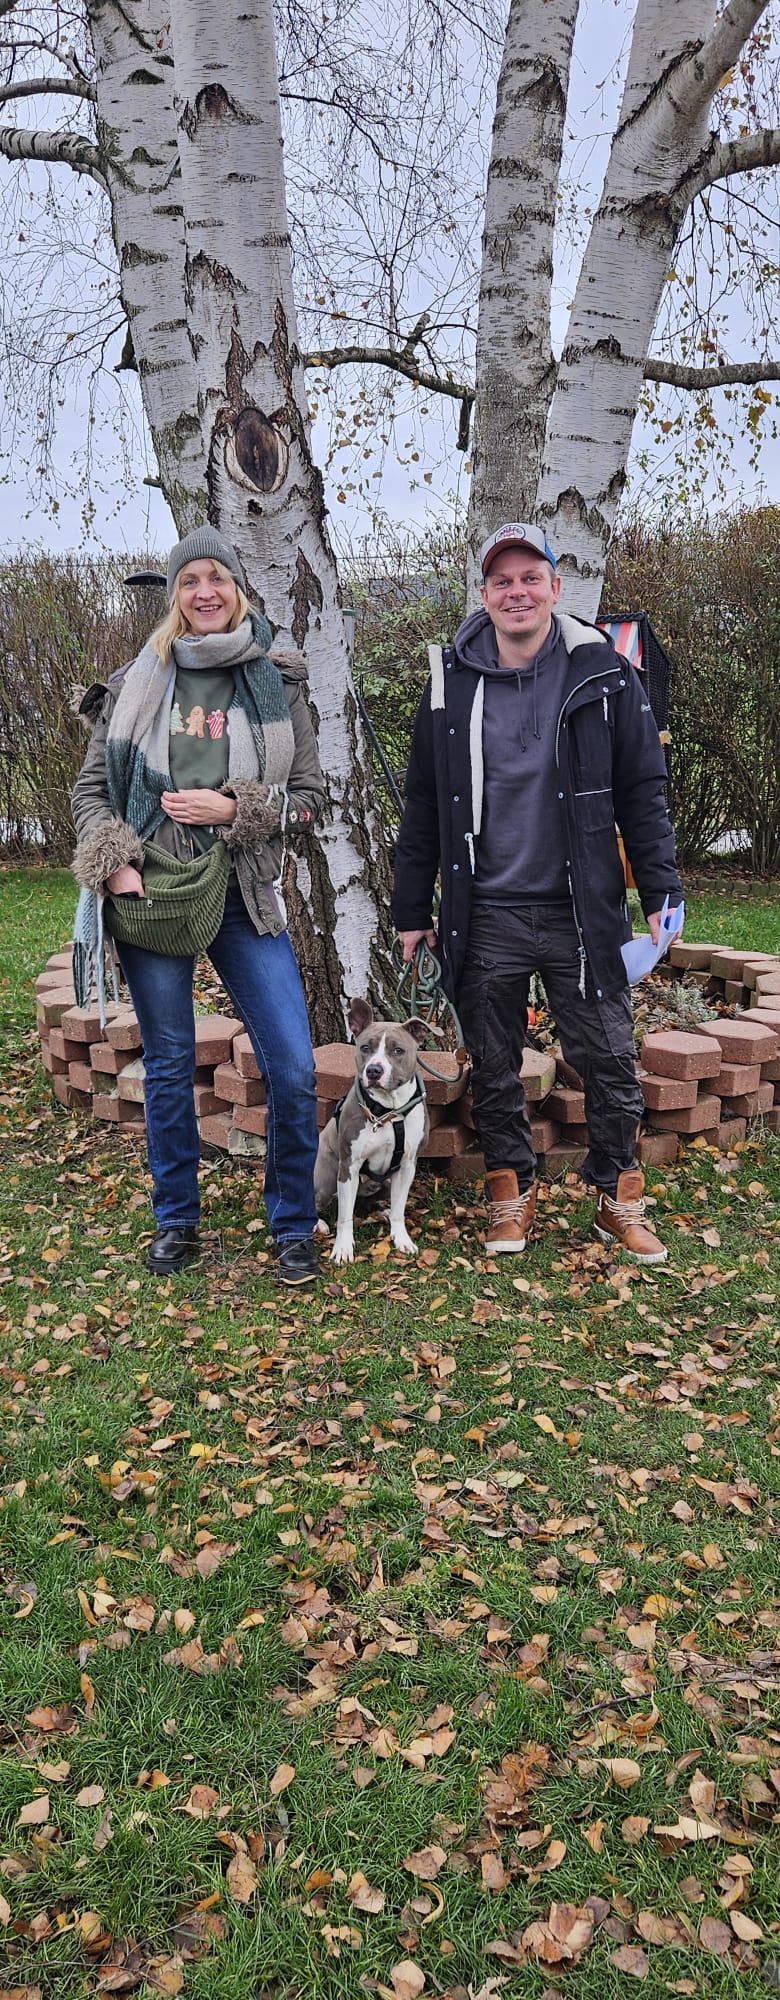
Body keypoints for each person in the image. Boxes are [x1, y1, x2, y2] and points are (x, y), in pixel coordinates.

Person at [392, 521, 683, 1263]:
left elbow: (643, 792)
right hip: (484, 911)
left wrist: (660, 888)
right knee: (494, 1066)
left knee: (609, 1058)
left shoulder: (604, 674)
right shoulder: (448, 684)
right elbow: (423, 805)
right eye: (502, 581)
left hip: (580, 912)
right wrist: (411, 909)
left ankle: (618, 1199)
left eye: (530, 578)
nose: (516, 592)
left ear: (556, 587)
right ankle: (509, 1195)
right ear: (483, 593)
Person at [72, 526, 324, 1284]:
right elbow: (91, 792)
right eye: (190, 580)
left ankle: (292, 1223)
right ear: (176, 593)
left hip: (244, 891)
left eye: (218, 578)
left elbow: (310, 798)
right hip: (152, 892)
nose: (205, 592)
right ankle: (176, 1219)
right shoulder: (133, 682)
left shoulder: (277, 680)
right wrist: (115, 863)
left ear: (237, 588)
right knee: (171, 1061)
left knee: (293, 1064)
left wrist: (237, 810)